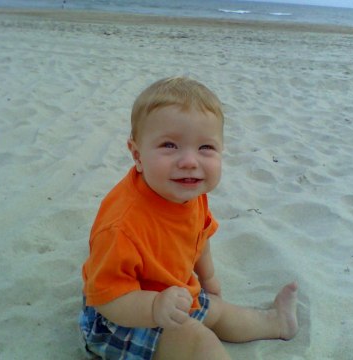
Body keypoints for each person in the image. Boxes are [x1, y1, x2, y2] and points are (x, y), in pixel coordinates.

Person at [79, 76, 298, 359]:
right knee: (198, 341)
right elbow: (107, 297)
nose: (189, 161)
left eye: (205, 148)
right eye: (170, 145)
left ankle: (277, 323)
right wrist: (154, 307)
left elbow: (199, 236)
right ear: (137, 155)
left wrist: (208, 277)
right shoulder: (122, 226)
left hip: (173, 292)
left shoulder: (189, 192)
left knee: (216, 310)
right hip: (121, 316)